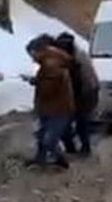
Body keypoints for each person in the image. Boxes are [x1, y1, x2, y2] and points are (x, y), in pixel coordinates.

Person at [24, 34, 76, 169]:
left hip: (58, 107)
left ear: (38, 51)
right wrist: (36, 80)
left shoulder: (51, 64)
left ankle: (60, 160)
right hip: (53, 105)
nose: (32, 59)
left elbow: (48, 89)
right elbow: (47, 81)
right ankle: (40, 159)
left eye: (32, 55)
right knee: (42, 133)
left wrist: (35, 82)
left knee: (49, 138)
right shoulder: (52, 61)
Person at [55, 32, 100, 157]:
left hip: (85, 94)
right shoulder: (75, 55)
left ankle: (81, 148)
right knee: (75, 123)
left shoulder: (76, 59)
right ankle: (75, 148)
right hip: (83, 92)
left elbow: (83, 82)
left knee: (79, 122)